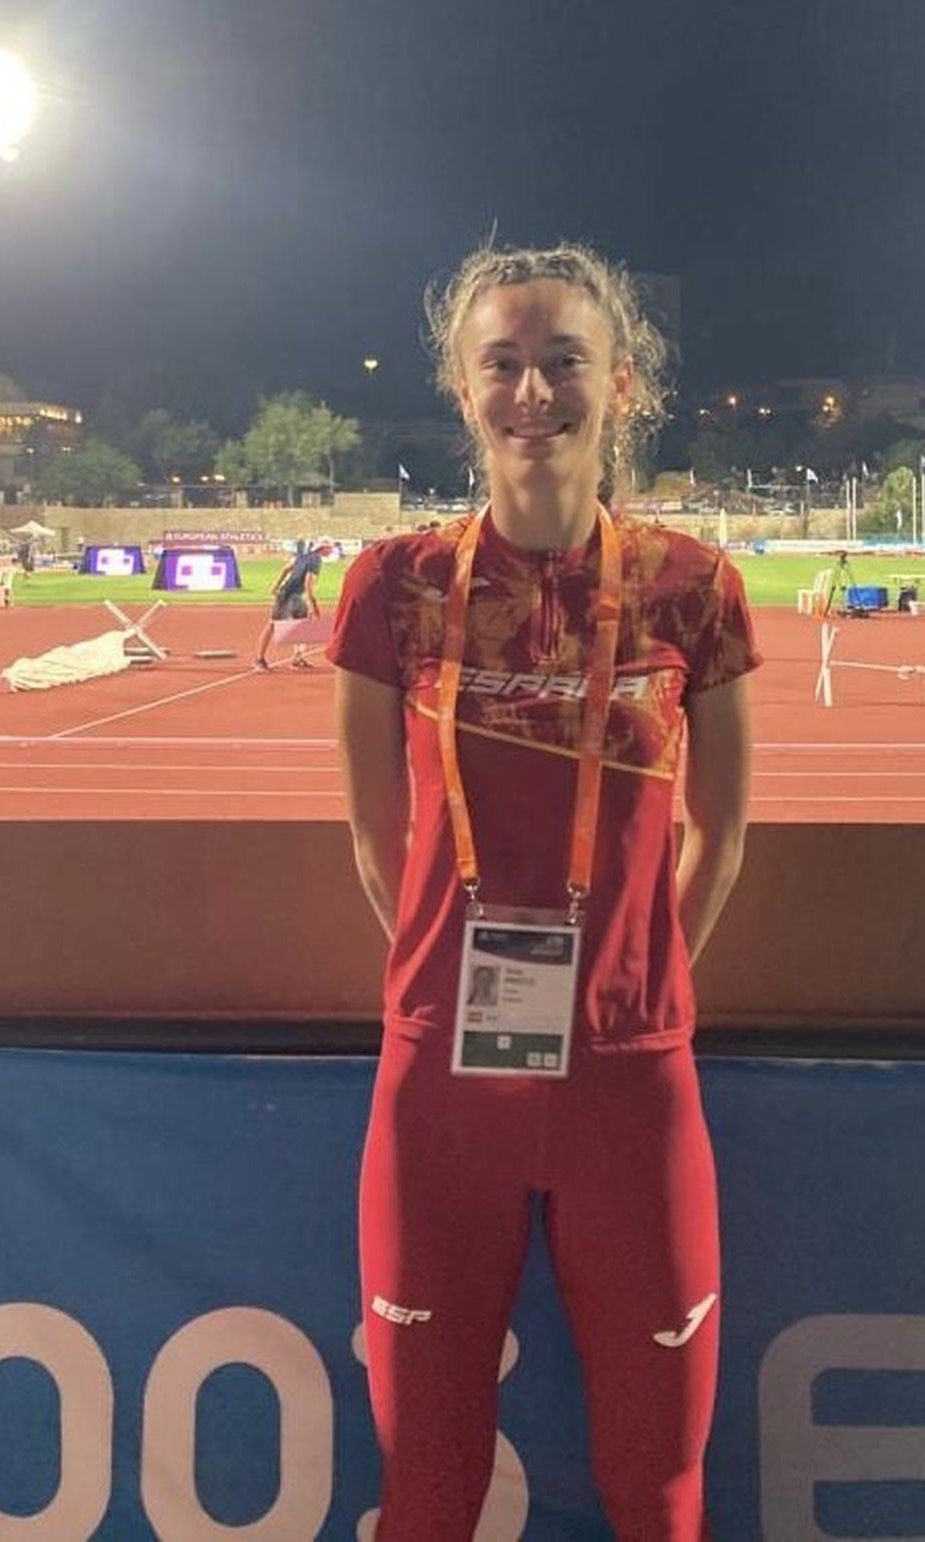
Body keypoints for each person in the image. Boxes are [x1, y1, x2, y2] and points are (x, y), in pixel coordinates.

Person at [328, 242, 758, 1538]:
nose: (533, 390)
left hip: (631, 1086)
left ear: (619, 383)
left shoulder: (691, 588)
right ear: (464, 389)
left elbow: (723, 831)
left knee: (657, 1488)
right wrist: (454, 978)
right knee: (429, 1487)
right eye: (502, 363)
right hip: (438, 1086)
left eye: (562, 361)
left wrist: (629, 991)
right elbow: (375, 836)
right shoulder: (394, 588)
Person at [252, 539, 331, 670]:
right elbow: (308, 585)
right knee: (273, 624)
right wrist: (314, 605)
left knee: (301, 625)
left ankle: (296, 658)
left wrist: (276, 585)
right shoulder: (316, 561)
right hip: (290, 595)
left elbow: (285, 570)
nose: (331, 550)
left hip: (291, 594)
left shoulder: (301, 557)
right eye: (329, 548)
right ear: (323, 548)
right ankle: (260, 659)